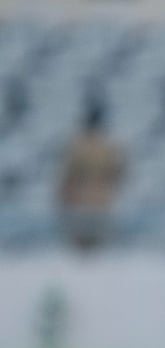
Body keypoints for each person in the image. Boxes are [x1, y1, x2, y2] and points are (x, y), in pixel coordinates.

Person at [59, 100, 125, 250]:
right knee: (96, 246)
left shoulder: (78, 145)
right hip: (100, 199)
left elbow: (68, 173)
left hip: (82, 199)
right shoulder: (108, 146)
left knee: (82, 248)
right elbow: (118, 172)